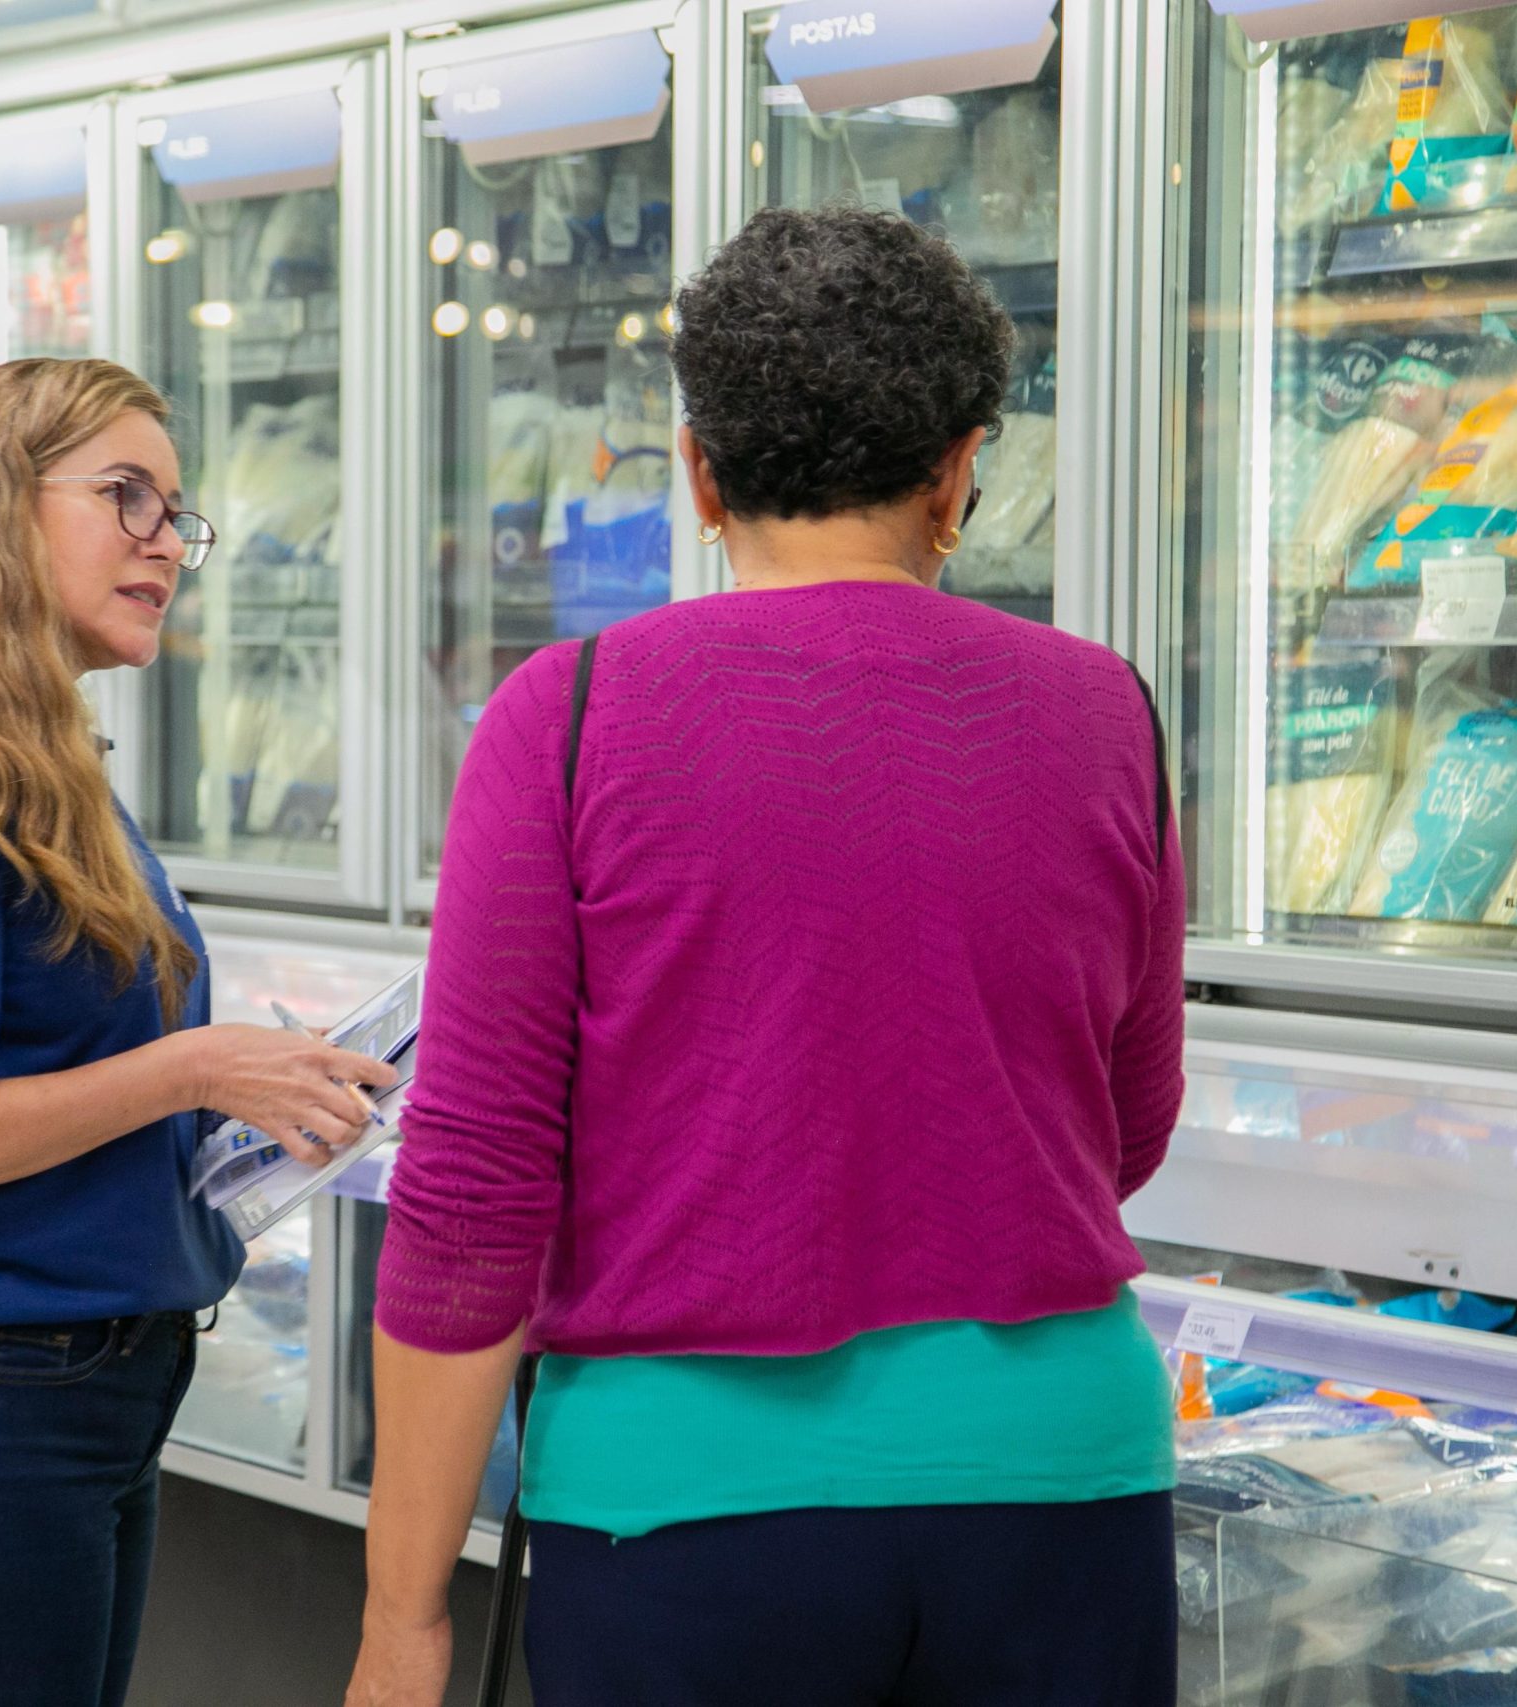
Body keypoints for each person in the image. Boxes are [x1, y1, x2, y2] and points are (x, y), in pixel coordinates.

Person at [346, 206, 1187, 1707]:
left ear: (701, 472)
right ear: (958, 470)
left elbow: (474, 1197)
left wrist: (403, 1624)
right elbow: (1128, 1128)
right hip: (1064, 1489)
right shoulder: (1105, 709)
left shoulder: (573, 712)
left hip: (685, 1509)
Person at [0, 356, 397, 1707]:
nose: (167, 544)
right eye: (128, 498)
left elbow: (61, 1065)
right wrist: (194, 1065)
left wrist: (237, 1092)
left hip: (71, 1385)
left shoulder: (36, 767)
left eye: (178, 512)